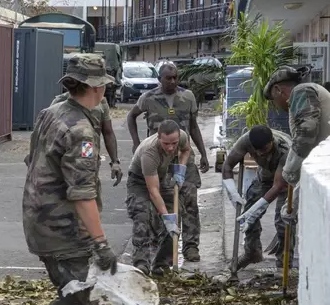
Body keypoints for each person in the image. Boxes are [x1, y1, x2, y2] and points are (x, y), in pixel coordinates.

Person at [0, 55, 118, 305]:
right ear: (97, 88)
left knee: (73, 300)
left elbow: (32, 161)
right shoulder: (82, 130)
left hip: (39, 223)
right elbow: (82, 194)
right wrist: (100, 245)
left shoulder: (51, 112)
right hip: (64, 232)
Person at [126, 63, 208, 262]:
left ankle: (190, 246)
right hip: (157, 158)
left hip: (182, 156)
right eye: (168, 78)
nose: (172, 81)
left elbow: (194, 127)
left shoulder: (187, 97)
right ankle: (160, 247)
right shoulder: (148, 98)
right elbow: (131, 116)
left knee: (189, 201)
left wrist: (203, 153)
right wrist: (136, 142)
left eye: (175, 77)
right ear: (159, 79)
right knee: (160, 202)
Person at [263, 66, 330, 227]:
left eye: (273, 99)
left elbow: (306, 132)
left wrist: (290, 168)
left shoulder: (301, 91)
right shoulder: (311, 92)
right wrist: (294, 203)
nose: (277, 106)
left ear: (278, 90)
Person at [126, 119, 191, 276]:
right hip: (140, 181)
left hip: (160, 178)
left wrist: (181, 168)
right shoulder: (149, 152)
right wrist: (165, 217)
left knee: (176, 215)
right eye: (166, 144)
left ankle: (161, 264)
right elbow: (153, 191)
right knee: (142, 216)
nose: (170, 148)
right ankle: (141, 264)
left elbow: (186, 149)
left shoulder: (181, 136)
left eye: (173, 143)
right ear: (159, 138)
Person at [221, 125, 292, 269]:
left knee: (283, 220)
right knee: (248, 213)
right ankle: (252, 252)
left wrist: (259, 208)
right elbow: (227, 165)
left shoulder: (286, 149)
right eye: (256, 150)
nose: (260, 154)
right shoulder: (246, 140)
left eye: (264, 150)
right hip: (265, 176)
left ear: (271, 142)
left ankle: (284, 265)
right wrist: (232, 192)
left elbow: (278, 186)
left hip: (287, 180)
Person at [50, 84, 123, 186]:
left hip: (88, 152)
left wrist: (115, 162)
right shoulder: (60, 102)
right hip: (62, 158)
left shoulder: (101, 102)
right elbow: (47, 132)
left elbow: (108, 132)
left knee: (87, 187)